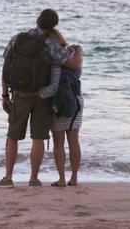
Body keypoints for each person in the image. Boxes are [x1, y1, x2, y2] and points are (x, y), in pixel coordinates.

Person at [0, 9, 82, 188]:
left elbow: (6, 69)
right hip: (43, 97)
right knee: (38, 138)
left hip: (20, 95)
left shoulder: (17, 39)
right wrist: (76, 52)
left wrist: (5, 95)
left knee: (12, 136)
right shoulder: (51, 44)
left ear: (37, 20)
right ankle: (34, 179)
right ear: (54, 26)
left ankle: (8, 178)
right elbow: (73, 65)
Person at [46, 29, 84, 187]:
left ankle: (61, 179)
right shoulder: (75, 62)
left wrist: (38, 94)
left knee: (59, 142)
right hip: (76, 103)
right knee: (74, 141)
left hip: (60, 105)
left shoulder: (56, 63)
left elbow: (53, 89)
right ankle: (74, 178)